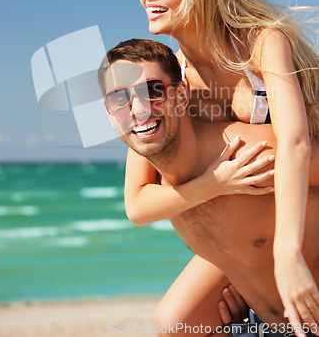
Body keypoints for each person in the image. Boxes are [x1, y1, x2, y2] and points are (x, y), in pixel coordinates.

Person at [127, 0, 319, 335]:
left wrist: (288, 255)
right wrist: (215, 182)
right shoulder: (169, 76)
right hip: (245, 241)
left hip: (300, 216)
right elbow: (138, 201)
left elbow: (296, 143)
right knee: (176, 322)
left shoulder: (263, 41)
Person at [98, 38, 319, 337]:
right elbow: (135, 209)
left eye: (152, 91)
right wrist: (213, 184)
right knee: (175, 324)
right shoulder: (163, 180)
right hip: (271, 325)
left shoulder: (244, 156)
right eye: (118, 100)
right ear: (109, 113)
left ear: (181, 95)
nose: (138, 109)